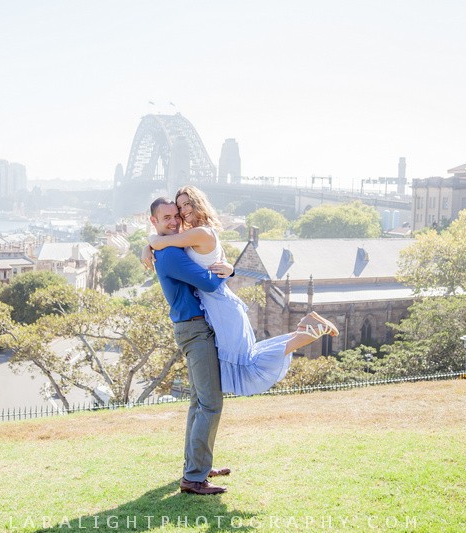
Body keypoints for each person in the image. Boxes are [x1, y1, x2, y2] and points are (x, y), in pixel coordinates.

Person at [143, 185, 338, 397]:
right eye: (180, 207)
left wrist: (150, 242)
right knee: (248, 358)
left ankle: (311, 331)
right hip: (217, 307)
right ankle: (306, 327)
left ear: (198, 203)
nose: (183, 211)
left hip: (219, 305)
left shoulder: (200, 233)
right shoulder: (191, 234)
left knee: (248, 365)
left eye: (187, 204)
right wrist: (149, 247)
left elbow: (163, 241)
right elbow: (174, 244)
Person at [149, 197, 234, 496]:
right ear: (154, 222)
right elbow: (210, 283)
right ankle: (194, 478)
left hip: (193, 326)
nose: (174, 221)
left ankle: (197, 466)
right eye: (167, 217)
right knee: (210, 402)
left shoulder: (169, 248)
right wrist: (226, 270)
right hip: (194, 328)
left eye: (176, 216)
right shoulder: (171, 254)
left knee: (199, 402)